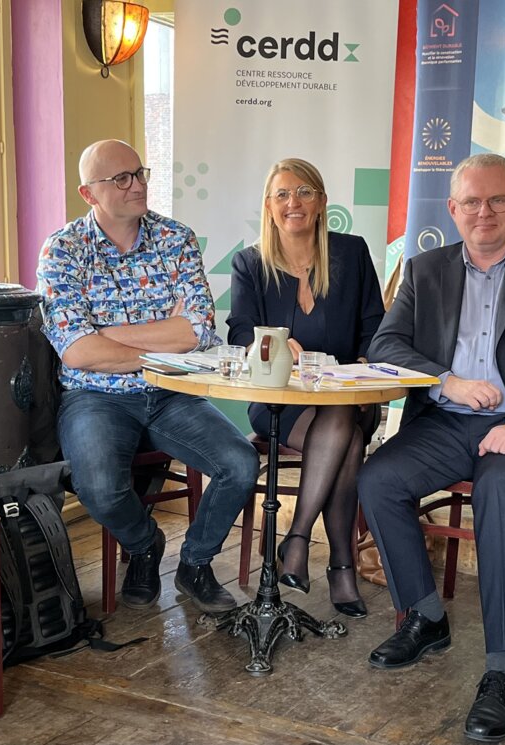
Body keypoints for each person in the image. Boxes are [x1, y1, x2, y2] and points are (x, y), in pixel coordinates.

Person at [357, 153, 505, 741]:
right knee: (377, 479)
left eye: (497, 200)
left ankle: (501, 668)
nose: (483, 212)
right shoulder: (425, 269)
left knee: (498, 489)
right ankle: (426, 616)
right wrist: (448, 382)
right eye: (471, 201)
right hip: (448, 421)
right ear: (453, 208)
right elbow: (385, 344)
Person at [36, 139, 260, 613]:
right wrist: (161, 340)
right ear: (89, 193)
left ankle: (195, 563)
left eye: (140, 173)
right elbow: (76, 352)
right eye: (121, 178)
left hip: (173, 390)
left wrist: (107, 335)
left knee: (240, 463)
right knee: (98, 486)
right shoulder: (63, 250)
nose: (136, 184)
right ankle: (143, 544)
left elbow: (199, 331)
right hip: (96, 396)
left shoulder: (175, 238)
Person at [227, 158, 384, 618]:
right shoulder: (250, 263)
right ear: (269, 206)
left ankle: (296, 539)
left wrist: (361, 365)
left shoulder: (351, 253)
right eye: (282, 194)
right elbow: (240, 331)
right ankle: (340, 565)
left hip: (350, 394)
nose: (292, 202)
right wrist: (271, 345)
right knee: (345, 437)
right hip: (281, 401)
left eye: (304, 192)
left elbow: (376, 326)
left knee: (342, 416)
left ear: (321, 203)